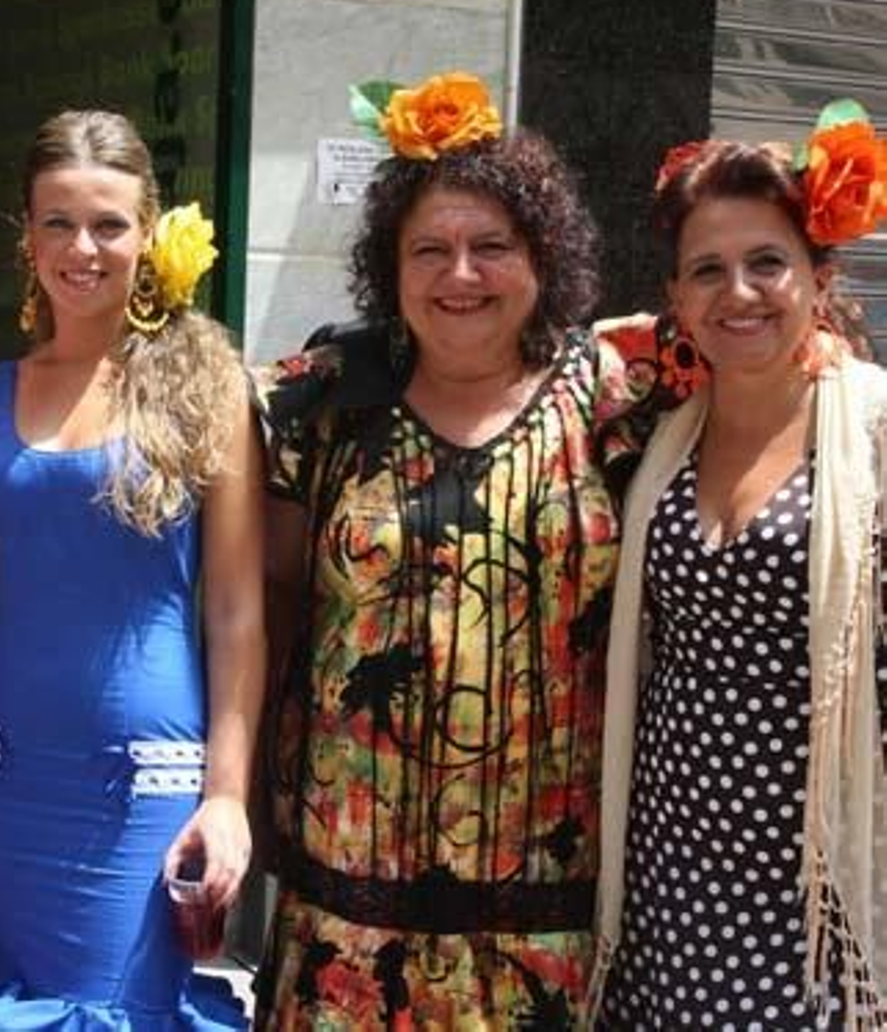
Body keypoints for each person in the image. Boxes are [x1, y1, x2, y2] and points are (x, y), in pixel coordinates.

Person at [252, 71, 693, 1029]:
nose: (461, 275)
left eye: (492, 246)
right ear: (390, 266)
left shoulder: (617, 389)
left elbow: (773, 337)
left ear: (544, 256)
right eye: (430, 249)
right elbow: (266, 601)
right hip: (347, 922)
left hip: (547, 923)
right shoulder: (322, 403)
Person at [0, 109, 264, 1028]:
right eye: (59, 223)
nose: (83, 249)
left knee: (118, 1007)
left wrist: (227, 795)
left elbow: (236, 611)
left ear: (147, 233)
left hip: (143, 779)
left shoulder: (208, 391)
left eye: (108, 225)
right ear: (27, 238)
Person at [594, 110, 887, 1028]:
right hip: (668, 863)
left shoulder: (874, 433)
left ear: (819, 279)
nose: (740, 293)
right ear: (675, 299)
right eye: (707, 271)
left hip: (815, 881)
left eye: (768, 262)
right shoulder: (661, 436)